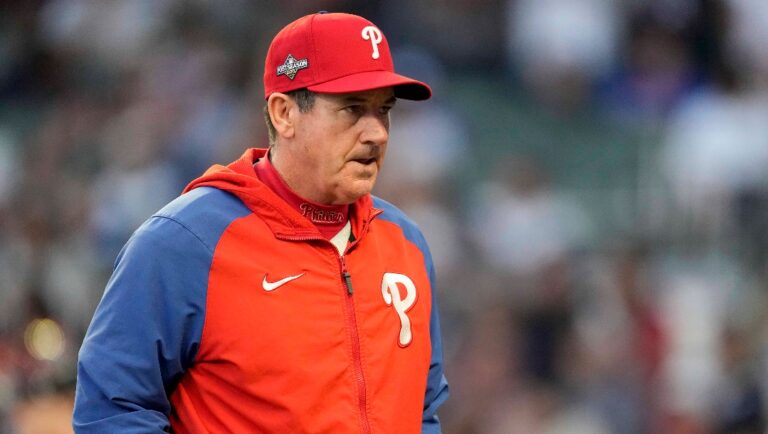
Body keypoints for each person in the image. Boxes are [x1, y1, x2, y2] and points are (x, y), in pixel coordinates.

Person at [72, 11, 449, 434]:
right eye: (352, 109)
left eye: (385, 110)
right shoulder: (186, 243)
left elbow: (422, 411)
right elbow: (111, 410)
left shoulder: (407, 245)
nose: (376, 132)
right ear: (284, 113)